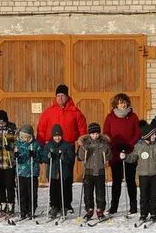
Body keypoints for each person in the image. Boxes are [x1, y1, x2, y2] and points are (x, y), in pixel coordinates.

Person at [36, 84, 87, 213]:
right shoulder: (49, 111)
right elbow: (41, 129)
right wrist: (41, 146)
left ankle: (66, 203)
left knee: (66, 177)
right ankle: (54, 204)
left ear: (67, 96)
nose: (60, 98)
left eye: (62, 96)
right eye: (58, 96)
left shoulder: (75, 111)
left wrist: (82, 142)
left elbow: (82, 128)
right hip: (52, 147)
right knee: (54, 177)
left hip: (67, 147)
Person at [104, 93, 140, 216]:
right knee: (116, 181)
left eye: (124, 102)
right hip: (115, 152)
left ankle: (133, 206)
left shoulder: (133, 116)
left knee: (130, 180)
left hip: (130, 151)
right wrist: (113, 143)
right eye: (120, 102)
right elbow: (106, 133)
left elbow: (137, 133)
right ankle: (114, 206)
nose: (123, 104)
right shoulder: (110, 117)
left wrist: (129, 144)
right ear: (116, 104)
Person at [126, 123, 156, 223]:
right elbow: (133, 157)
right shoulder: (139, 146)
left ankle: (153, 213)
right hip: (143, 174)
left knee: (154, 195)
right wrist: (125, 157)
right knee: (144, 195)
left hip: (155, 174)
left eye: (155, 134)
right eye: (153, 134)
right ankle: (143, 213)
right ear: (147, 136)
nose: (155, 136)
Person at [76, 123, 111, 220]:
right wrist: (83, 149)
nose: (95, 136)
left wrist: (106, 151)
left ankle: (100, 210)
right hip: (88, 172)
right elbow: (80, 157)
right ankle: (89, 210)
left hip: (100, 171)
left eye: (96, 133)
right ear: (89, 134)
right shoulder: (85, 143)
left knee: (100, 193)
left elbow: (109, 156)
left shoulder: (104, 143)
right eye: (92, 134)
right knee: (88, 193)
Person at [41, 124, 76, 219]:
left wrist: (64, 157)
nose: (57, 138)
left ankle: (64, 206)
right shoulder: (49, 145)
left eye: (59, 135)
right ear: (52, 136)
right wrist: (49, 156)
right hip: (53, 173)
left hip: (63, 172)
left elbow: (71, 158)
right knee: (53, 191)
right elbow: (44, 158)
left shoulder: (66, 145)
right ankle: (54, 206)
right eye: (55, 136)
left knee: (63, 190)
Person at [0, 110, 17, 215]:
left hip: (9, 161)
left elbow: (17, 142)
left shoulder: (12, 129)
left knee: (9, 184)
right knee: (0, 184)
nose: (1, 124)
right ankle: (3, 203)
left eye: (3, 122)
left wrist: (10, 146)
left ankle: (11, 204)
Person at [15, 125, 42, 219]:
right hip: (21, 173)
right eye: (23, 137)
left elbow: (40, 158)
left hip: (32, 172)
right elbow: (15, 158)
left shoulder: (35, 144)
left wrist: (34, 155)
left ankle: (31, 210)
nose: (25, 139)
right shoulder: (18, 144)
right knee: (21, 192)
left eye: (27, 137)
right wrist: (16, 156)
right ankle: (23, 210)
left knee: (32, 192)